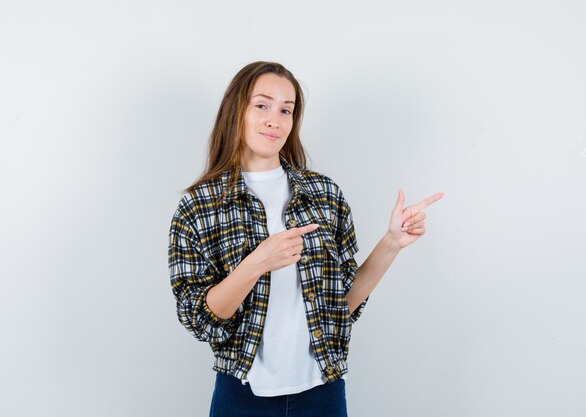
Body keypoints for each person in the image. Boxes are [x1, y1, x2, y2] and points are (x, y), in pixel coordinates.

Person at [168, 61, 444, 417]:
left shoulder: (324, 194)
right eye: (262, 105)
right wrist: (256, 263)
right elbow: (199, 318)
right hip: (242, 395)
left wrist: (392, 242)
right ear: (236, 110)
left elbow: (341, 306)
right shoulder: (199, 205)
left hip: (322, 393)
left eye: (286, 110)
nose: (275, 120)